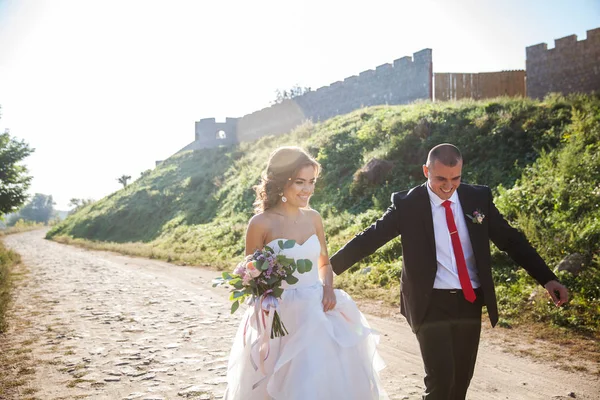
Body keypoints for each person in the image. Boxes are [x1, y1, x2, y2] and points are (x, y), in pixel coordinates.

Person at [330, 143, 569, 400]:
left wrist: (547, 278)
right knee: (441, 383)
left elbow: (511, 240)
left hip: (470, 300)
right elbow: (371, 238)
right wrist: (328, 269)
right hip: (429, 302)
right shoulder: (408, 204)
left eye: (455, 178)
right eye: (440, 178)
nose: (448, 186)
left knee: (460, 384)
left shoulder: (478, 199)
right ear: (426, 171)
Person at [223, 146, 388, 400]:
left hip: (316, 310)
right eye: (300, 182)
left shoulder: (314, 218)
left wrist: (328, 288)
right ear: (281, 182)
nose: (307, 190)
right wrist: (265, 300)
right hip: (279, 315)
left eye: (311, 182)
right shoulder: (260, 224)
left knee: (317, 380)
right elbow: (251, 272)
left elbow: (324, 263)